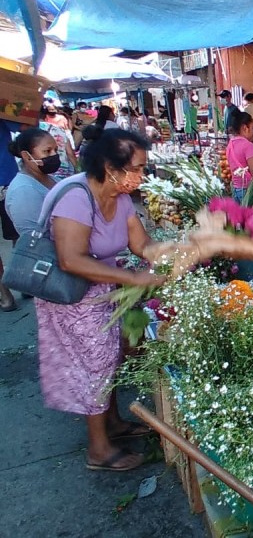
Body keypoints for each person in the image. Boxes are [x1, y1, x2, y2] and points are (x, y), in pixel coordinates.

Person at [36, 128, 169, 472]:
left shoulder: (121, 197)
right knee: (93, 366)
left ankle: (113, 423)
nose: (142, 175)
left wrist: (173, 257)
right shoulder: (76, 197)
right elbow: (71, 259)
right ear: (112, 168)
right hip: (73, 296)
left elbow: (141, 244)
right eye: (137, 168)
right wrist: (133, 277)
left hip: (104, 290)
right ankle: (98, 449)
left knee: (110, 358)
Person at [6, 128, 59, 235]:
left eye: (56, 150)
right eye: (47, 151)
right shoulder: (22, 191)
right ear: (26, 156)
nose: (54, 155)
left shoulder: (53, 179)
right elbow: (34, 236)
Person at [0, 120, 19, 312]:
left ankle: (22, 277)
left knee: (20, 235)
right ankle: (5, 293)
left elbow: (24, 125)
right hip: (8, 181)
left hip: (7, 184)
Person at [225, 111, 253, 202]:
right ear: (245, 128)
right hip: (247, 191)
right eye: (252, 128)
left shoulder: (230, 144)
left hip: (236, 189)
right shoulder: (248, 146)